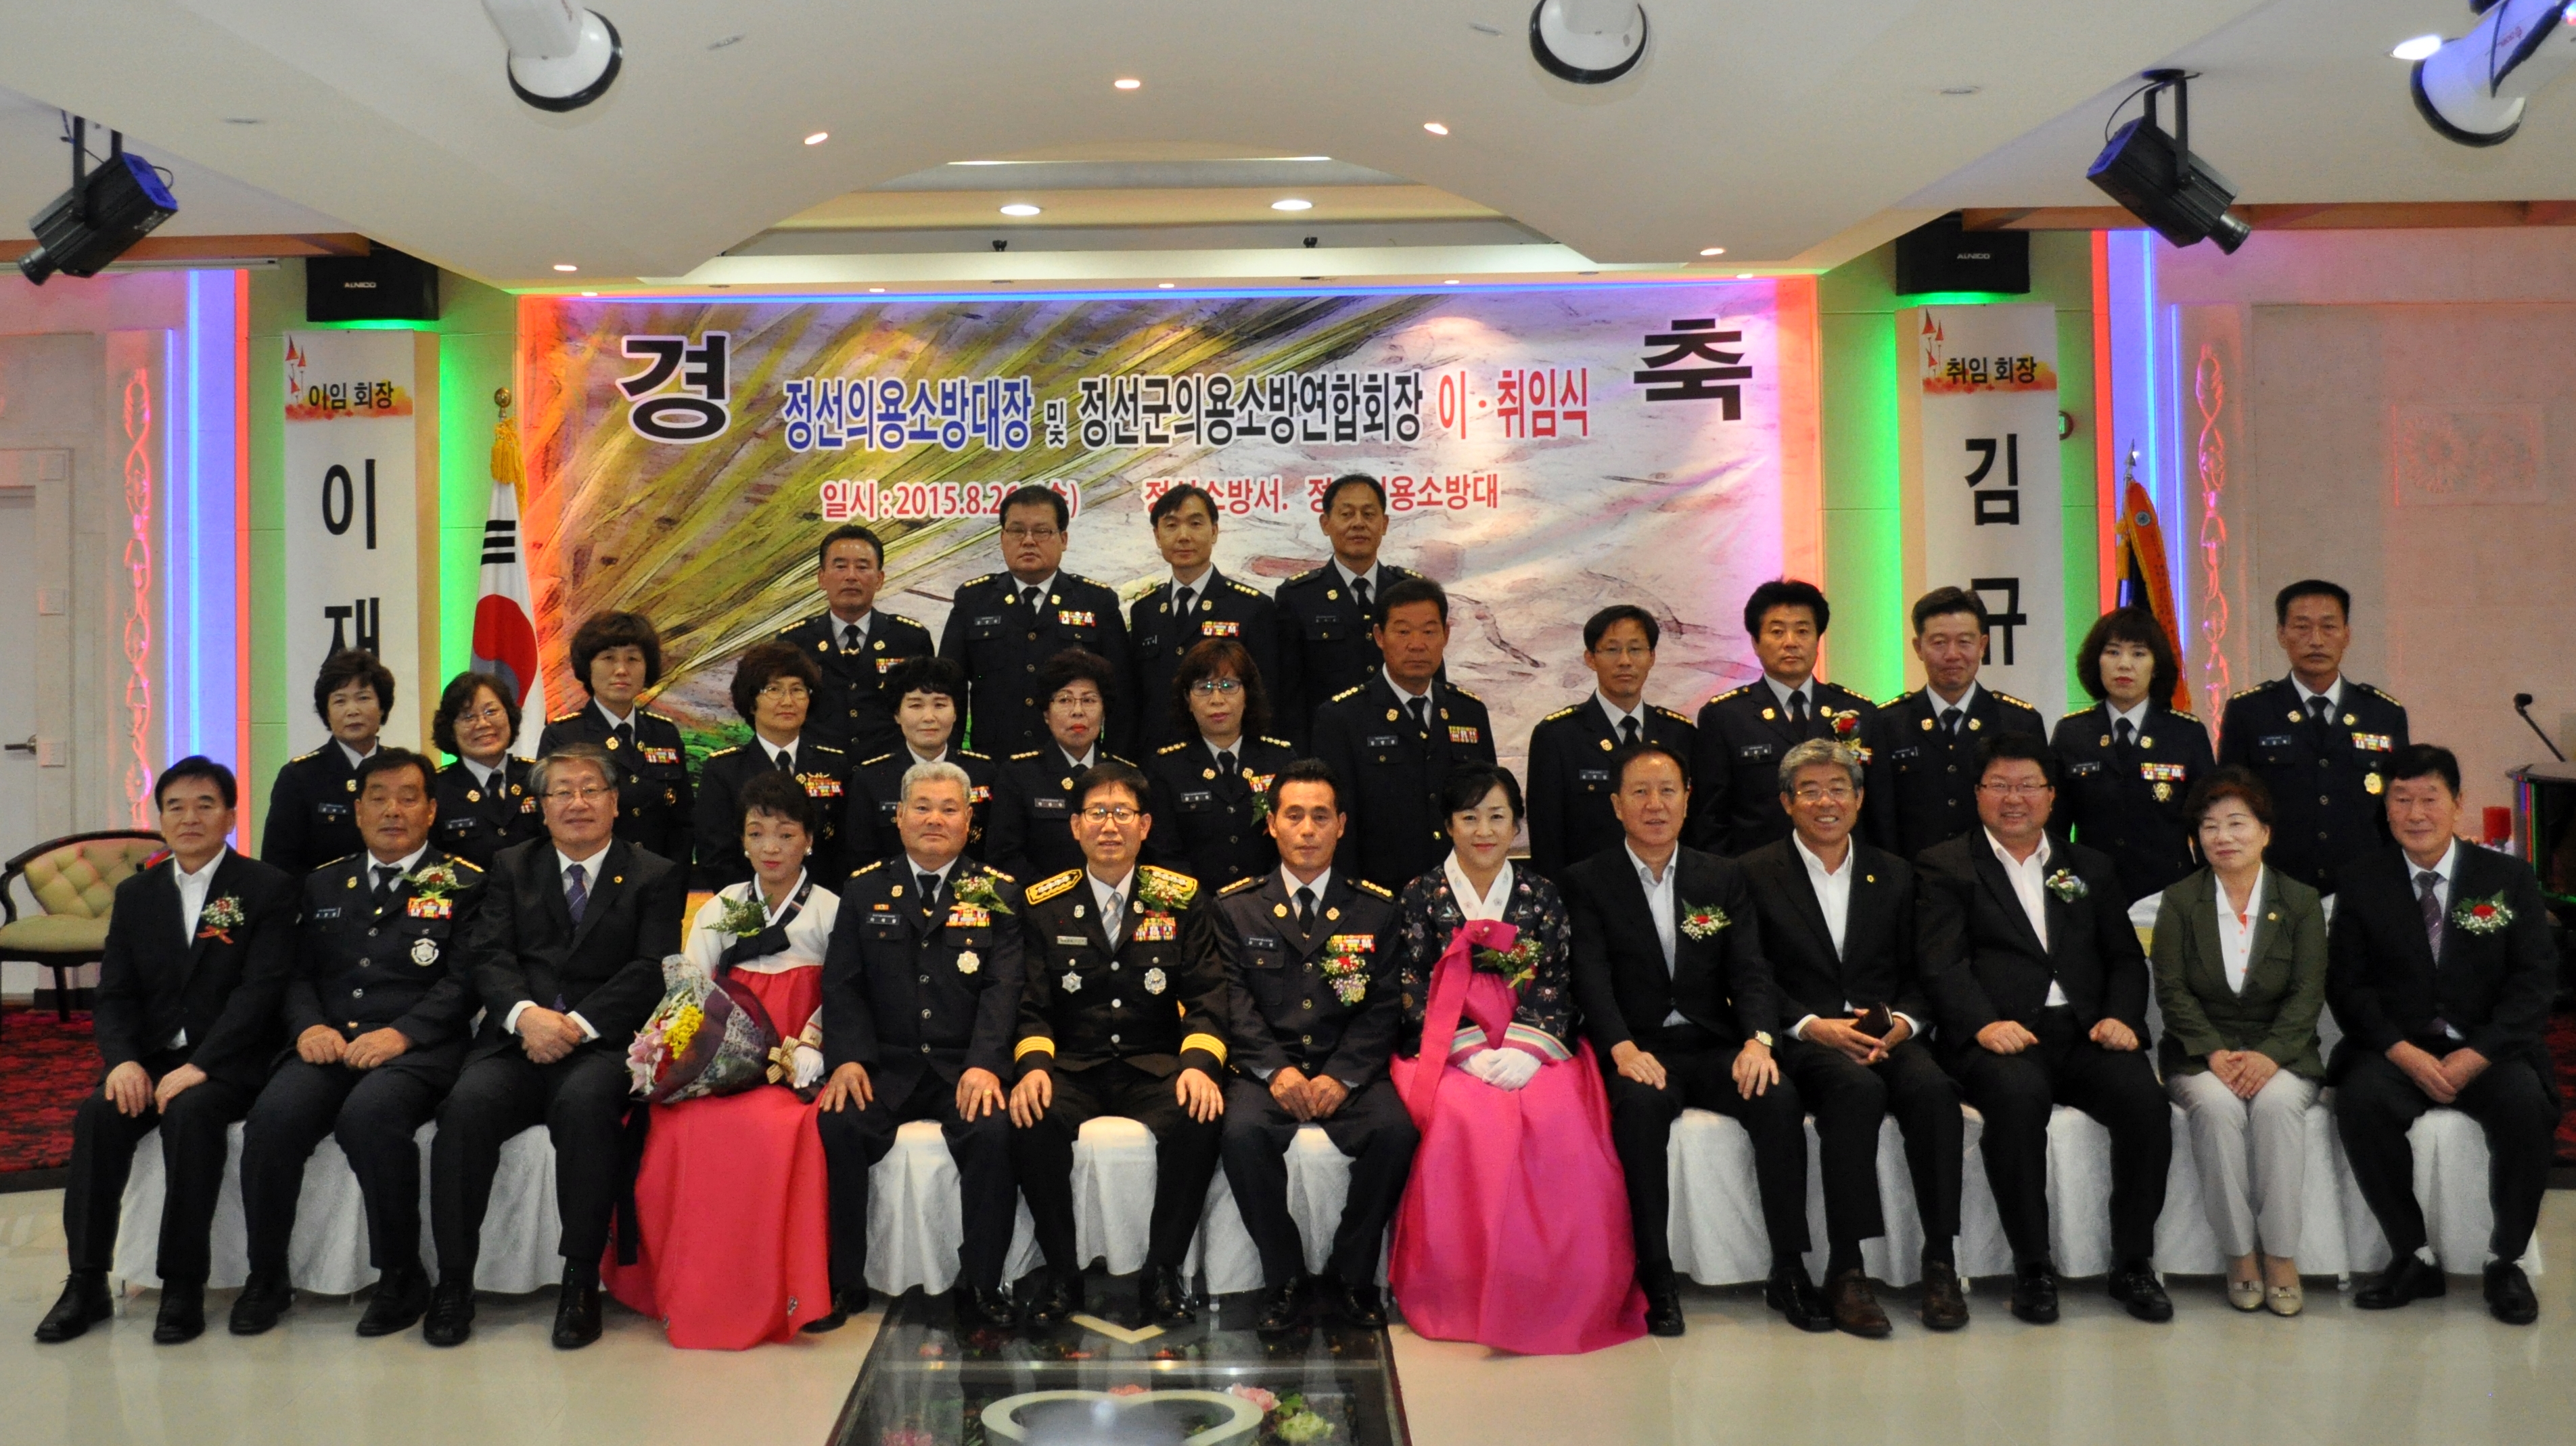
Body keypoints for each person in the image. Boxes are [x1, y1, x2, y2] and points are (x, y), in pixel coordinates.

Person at [426, 741, 685, 1349]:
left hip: (601, 1045)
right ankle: (454, 1283)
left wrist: (577, 1026)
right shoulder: (512, 865)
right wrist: (526, 1018)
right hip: (519, 1040)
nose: (577, 803)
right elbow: (490, 955)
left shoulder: (654, 873)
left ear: (615, 802)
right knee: (465, 1109)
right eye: (561, 792)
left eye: (591, 789)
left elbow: (651, 968)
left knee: (585, 1107)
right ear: (541, 807)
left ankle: (579, 1282)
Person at [35, 758, 297, 1346]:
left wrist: (202, 1066)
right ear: (160, 819)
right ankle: (86, 1282)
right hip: (153, 1056)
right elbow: (115, 993)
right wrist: (123, 1060)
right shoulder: (138, 894)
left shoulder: (266, 888)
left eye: (205, 805)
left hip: (230, 1059)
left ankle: (182, 1284)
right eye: (175, 806)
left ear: (230, 816)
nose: (189, 818)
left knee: (190, 1114)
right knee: (98, 1115)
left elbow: (260, 994)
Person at [1916, 732, 2171, 1326]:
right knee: (2015, 1101)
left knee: (2145, 1103)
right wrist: (1983, 1024)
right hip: (2000, 1036)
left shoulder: (2088, 866)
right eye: (2000, 786)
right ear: (1978, 793)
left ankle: (2132, 1262)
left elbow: (2124, 958)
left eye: (2028, 786)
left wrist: (2122, 1018)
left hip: (2085, 1033)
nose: (2015, 799)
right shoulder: (1946, 865)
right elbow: (1941, 964)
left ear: (2052, 796)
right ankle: (2032, 1267)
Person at [1565, 745, 1819, 1339]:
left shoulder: (1721, 876)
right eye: (1640, 792)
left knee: (1778, 1098)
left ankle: (1789, 1268)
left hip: (1711, 1042)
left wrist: (1759, 1041)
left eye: (1668, 791)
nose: (1655, 805)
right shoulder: (1588, 880)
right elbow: (1590, 977)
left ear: (1687, 800)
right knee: (1639, 1112)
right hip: (1640, 1048)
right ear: (1617, 805)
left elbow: (1750, 970)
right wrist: (1620, 1049)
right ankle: (1655, 1276)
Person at [1391, 762, 1644, 1354]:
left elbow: (1558, 979)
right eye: (1469, 817)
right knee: (1463, 1120)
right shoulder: (1419, 895)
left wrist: (1530, 1047)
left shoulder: (1542, 893)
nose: (1484, 830)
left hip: (1533, 1037)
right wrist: (1466, 1050)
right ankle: (1459, 1287)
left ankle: (1558, 1287)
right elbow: (1411, 985)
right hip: (1446, 1044)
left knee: (1560, 1119)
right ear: (1448, 826)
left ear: (1517, 825)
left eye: (1497, 816)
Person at [232, 748, 485, 1338]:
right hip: (330, 1041)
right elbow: (294, 973)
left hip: (417, 1048)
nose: (393, 810)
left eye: (408, 798)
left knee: (369, 1117)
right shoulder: (322, 882)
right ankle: (266, 1275)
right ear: (358, 810)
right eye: (378, 798)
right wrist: (307, 1027)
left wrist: (404, 1033)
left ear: (431, 810)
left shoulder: (466, 883)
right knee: (272, 1120)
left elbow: (467, 980)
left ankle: (401, 1275)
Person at [1739, 739, 1968, 1334]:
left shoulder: (1894, 872)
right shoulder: (1753, 873)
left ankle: (1940, 1261)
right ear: (1786, 802)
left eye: (1838, 789)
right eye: (1810, 791)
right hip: (1808, 1037)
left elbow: (1924, 969)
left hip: (1886, 1032)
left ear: (1860, 799)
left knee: (1934, 1092)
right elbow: (1749, 971)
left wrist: (1905, 1025)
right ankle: (1846, 1268)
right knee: (1855, 1092)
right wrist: (1809, 1025)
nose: (1826, 802)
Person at [2326, 744, 2559, 1325]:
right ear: (2386, 808)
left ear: (2457, 803)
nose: (2415, 813)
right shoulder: (2362, 881)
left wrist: (2478, 1054)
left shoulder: (2506, 877)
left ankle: (2505, 1261)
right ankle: (2413, 1256)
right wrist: (2401, 1052)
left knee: (2526, 1106)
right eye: (2401, 799)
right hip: (2398, 1047)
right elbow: (2348, 987)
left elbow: (2534, 983)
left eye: (2429, 798)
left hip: (2488, 1047)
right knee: (2360, 1101)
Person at [604, 771, 838, 1348]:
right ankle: (689, 1288)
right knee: (678, 1126)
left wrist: (813, 1045)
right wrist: (685, 1061)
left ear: (809, 840)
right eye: (757, 834)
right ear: (742, 841)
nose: (771, 847)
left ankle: (778, 1292)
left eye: (786, 834)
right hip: (723, 1063)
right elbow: (690, 992)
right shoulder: (721, 907)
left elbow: (846, 993)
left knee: (783, 1130)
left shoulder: (833, 909)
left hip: (794, 1064)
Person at [1007, 762, 1228, 1328]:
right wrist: (1034, 1066)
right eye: (1097, 813)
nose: (1110, 826)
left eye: (1123, 813)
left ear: (1145, 825)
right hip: (1073, 1065)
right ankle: (1061, 1273)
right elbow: (1031, 1003)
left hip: (1154, 1064)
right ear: (1075, 826)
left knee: (1201, 1114)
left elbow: (1207, 995)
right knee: (1031, 1116)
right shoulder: (1043, 903)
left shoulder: (1181, 899)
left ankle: (1163, 1270)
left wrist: (1198, 1064)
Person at [814, 761, 1024, 1331]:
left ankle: (982, 1283)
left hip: (962, 1068)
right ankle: (842, 1280)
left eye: (949, 809)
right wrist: (848, 1059)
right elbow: (843, 985)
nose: (935, 819)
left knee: (993, 1135)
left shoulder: (998, 892)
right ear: (900, 816)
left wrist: (987, 1065)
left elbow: (1005, 988)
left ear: (969, 821)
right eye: (923, 807)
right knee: (838, 1125)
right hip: (886, 1066)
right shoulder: (864, 890)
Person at [1210, 760, 1415, 1333]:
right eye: (1294, 816)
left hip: (1347, 1072)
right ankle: (1284, 1278)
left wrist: (1342, 1076)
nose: (1307, 830)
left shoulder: (1376, 908)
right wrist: (1274, 1071)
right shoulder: (1236, 907)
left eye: (1320, 817)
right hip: (1267, 1073)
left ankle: (1353, 1275)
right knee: (1240, 1134)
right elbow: (1233, 1001)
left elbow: (1384, 1006)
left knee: (1396, 1133)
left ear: (1341, 825)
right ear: (1271, 824)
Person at [2151, 768, 2326, 1318]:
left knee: (2275, 1108)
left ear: (2265, 832)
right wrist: (2212, 1051)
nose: (2223, 837)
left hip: (2284, 1054)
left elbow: (2307, 992)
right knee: (2218, 1109)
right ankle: (2239, 1254)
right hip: (2201, 1055)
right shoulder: (2180, 901)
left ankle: (2281, 1255)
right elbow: (2172, 989)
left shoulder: (2300, 901)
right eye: (2209, 827)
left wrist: (2270, 1055)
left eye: (2236, 823)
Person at [2218, 580, 2410, 896]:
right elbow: (2228, 804)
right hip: (2274, 887)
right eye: (2302, 627)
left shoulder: (2383, 714)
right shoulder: (2249, 712)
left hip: (2364, 888)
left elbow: (2400, 803)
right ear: (2282, 634)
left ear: (2347, 634)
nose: (2316, 640)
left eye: (2329, 627)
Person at [1311, 578, 1496, 892]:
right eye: (1403, 632)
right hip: (1380, 894)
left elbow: (1490, 807)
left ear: (1446, 635)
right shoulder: (1342, 718)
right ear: (1379, 636)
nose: (1417, 644)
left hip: (1462, 890)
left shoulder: (1469, 712)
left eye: (1429, 632)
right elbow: (1338, 824)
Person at [940, 484, 1134, 757]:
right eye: (1017, 531)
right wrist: (950, 763)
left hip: (1073, 762)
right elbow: (949, 690)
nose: (1028, 541)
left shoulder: (1096, 602)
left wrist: (1111, 764)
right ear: (1002, 538)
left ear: (1063, 539)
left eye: (1042, 531)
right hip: (994, 763)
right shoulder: (973, 601)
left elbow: (1122, 696)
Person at [1687, 580, 1872, 857]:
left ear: (1818, 640)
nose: (1791, 642)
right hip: (1755, 871)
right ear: (1755, 643)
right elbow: (1710, 818)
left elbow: (1877, 809)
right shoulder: (1725, 717)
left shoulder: (1857, 711)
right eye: (1777, 632)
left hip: (1841, 867)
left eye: (1802, 631)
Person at [1864, 588, 2047, 861]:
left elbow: (2040, 810)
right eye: (1939, 643)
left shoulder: (2019, 722)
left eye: (1964, 642)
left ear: (1982, 645)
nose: (1952, 654)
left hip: (1998, 875)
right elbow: (1878, 816)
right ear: (1918, 648)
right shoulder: (1887, 723)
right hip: (1911, 876)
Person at [2050, 608, 2214, 906]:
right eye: (2112, 652)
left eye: (2139, 654)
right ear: (2097, 661)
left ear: (2156, 666)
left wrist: (2205, 897)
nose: (2124, 664)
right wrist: (2064, 892)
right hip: (2091, 895)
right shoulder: (2072, 733)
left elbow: (2207, 821)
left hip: (2169, 896)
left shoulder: (2186, 733)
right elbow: (2054, 829)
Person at [1525, 604, 1696, 879]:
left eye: (1636, 649)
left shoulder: (1679, 733)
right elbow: (1547, 839)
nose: (1625, 661)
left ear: (1652, 657)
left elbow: (1695, 826)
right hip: (1587, 892)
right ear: (1591, 658)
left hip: (1668, 884)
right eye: (1612, 650)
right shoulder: (1558, 736)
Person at [1127, 484, 1285, 753]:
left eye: (1195, 524)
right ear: (1157, 536)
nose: (1183, 536)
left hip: (1228, 758)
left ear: (1214, 531)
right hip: (1158, 761)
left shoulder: (1252, 608)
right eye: (1171, 525)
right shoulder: (1145, 611)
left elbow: (1267, 699)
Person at [1272, 475, 1429, 743]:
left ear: (1384, 524)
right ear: (1325, 524)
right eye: (1347, 514)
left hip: (1405, 744)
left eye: (1369, 514)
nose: (1358, 523)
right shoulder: (1298, 597)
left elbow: (1432, 679)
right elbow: (1288, 695)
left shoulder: (1412, 592)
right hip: (1328, 746)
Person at [693, 639, 853, 890]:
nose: (788, 701)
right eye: (774, 690)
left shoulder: (835, 765)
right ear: (751, 701)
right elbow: (715, 856)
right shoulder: (724, 770)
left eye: (798, 690)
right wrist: (756, 906)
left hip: (823, 903)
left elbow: (847, 849)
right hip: (747, 905)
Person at [538, 611, 693, 868]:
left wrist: (673, 880)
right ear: (588, 666)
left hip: (659, 879)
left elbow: (683, 821)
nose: (621, 670)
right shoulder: (564, 736)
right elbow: (549, 820)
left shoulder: (664, 733)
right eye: (608, 658)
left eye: (633, 659)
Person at [774, 523, 937, 762]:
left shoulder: (910, 639)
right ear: (821, 578)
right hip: (817, 771)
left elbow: (928, 708)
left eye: (862, 567)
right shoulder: (793, 642)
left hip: (889, 770)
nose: (851, 576)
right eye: (840, 566)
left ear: (879, 579)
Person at [1145, 638, 1297, 892]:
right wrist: (1198, 905)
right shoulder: (1167, 769)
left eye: (1228, 686)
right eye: (1204, 688)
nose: (1217, 699)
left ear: (1247, 694)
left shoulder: (1280, 760)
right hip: (1194, 905)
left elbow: (1293, 842)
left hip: (1270, 903)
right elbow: (1165, 854)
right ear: (1187, 699)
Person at [988, 648, 1132, 883]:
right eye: (1065, 700)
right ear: (1047, 713)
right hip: (1038, 901)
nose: (1078, 712)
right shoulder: (1018, 776)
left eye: (1089, 700)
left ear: (1104, 710)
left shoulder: (1126, 775)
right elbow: (1004, 857)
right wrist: (1055, 898)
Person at [843, 655, 998, 868]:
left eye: (940, 705)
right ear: (897, 715)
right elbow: (860, 858)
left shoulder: (983, 773)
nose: (929, 717)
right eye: (916, 705)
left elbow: (994, 850)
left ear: (956, 713)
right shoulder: (870, 779)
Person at [262, 649, 394, 879]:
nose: (352, 711)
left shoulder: (403, 771)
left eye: (363, 698)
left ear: (382, 707)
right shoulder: (299, 777)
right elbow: (279, 869)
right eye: (340, 701)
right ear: (327, 713)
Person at [430, 672, 539, 870]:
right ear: (451, 730)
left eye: (491, 712)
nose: (482, 724)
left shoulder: (538, 777)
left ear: (510, 716)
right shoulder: (436, 788)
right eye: (468, 717)